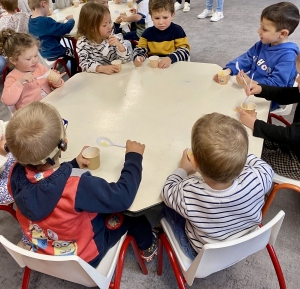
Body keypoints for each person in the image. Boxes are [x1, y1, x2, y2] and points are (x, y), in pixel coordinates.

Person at [6, 101, 158, 263]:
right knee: (135, 216)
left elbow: (42, 185)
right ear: (64, 143)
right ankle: (148, 247)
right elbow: (123, 197)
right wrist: (134, 158)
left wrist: (72, 165)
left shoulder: (14, 173)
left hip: (44, 251)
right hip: (84, 256)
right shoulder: (77, 186)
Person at [161, 113, 273, 259]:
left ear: (194, 162)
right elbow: (264, 167)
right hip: (246, 241)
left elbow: (167, 190)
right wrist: (236, 156)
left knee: (163, 207)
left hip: (201, 254)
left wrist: (183, 169)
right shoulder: (258, 178)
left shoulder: (188, 192)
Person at [213, 2, 299, 109]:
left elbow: (277, 87)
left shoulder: (289, 57)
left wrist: (251, 82)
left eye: (265, 29)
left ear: (282, 34)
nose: (259, 31)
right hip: (250, 89)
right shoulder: (262, 44)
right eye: (260, 26)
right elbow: (246, 58)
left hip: (268, 99)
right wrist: (228, 70)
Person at [238, 55, 300, 180]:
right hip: (294, 143)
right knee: (249, 140)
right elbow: (285, 94)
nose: (297, 79)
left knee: (250, 155)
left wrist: (255, 124)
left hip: (297, 161)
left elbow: (289, 135)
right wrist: (261, 89)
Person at [0, 29, 64, 110]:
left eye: (36, 55)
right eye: (28, 59)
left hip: (51, 106)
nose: (34, 60)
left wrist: (57, 81)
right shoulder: (12, 77)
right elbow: (7, 101)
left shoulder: (40, 67)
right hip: (32, 115)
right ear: (14, 60)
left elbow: (54, 85)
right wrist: (19, 83)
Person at [133, 0, 190, 68]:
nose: (161, 22)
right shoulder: (147, 33)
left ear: (172, 15)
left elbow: (185, 51)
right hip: (155, 69)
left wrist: (170, 58)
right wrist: (138, 57)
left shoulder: (177, 31)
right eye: (157, 18)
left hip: (173, 67)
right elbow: (140, 48)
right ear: (151, 16)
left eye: (165, 17)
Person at [28, 0, 77, 76]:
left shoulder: (30, 20)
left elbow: (46, 30)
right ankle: (74, 75)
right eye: (49, 5)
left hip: (42, 54)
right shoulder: (46, 21)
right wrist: (71, 20)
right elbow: (65, 29)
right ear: (44, 4)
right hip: (54, 52)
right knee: (75, 53)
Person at [76, 2, 132, 74]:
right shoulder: (83, 43)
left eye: (109, 22)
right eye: (104, 25)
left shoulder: (114, 38)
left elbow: (126, 61)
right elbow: (84, 63)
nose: (109, 27)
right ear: (91, 28)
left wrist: (120, 46)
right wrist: (101, 68)